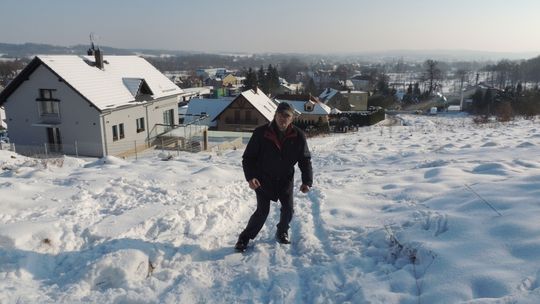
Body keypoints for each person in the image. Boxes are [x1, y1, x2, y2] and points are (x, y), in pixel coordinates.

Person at [235, 102, 313, 251]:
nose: (282, 119)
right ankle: (244, 237)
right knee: (262, 211)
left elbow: (305, 160)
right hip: (263, 179)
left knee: (288, 209)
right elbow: (248, 158)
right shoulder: (261, 133)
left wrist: (307, 181)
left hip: (285, 180)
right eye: (280, 115)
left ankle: (282, 230)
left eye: (287, 116)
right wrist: (251, 177)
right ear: (275, 115)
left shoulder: (298, 136)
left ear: (292, 119)